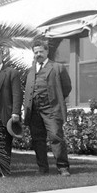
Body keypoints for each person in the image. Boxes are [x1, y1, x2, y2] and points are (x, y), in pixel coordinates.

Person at [23, 41, 72, 176]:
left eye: (41, 52)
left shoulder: (57, 67)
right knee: (38, 140)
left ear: (46, 52)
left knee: (56, 137)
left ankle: (63, 168)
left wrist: (56, 99)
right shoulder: (31, 70)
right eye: (36, 52)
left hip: (51, 109)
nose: (38, 54)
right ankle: (42, 168)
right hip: (34, 111)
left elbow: (66, 88)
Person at [0, 47, 23, 175]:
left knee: (5, 142)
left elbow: (17, 94)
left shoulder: (11, 72)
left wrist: (16, 112)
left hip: (6, 113)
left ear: (2, 56)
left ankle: (4, 170)